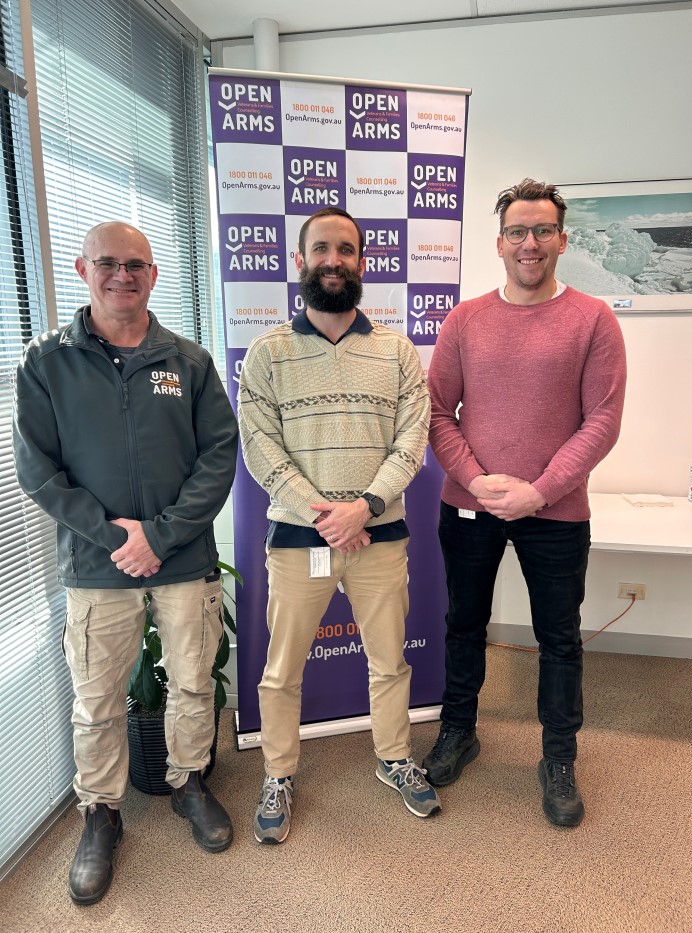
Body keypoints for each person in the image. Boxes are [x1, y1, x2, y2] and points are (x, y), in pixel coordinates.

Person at [13, 222, 239, 904]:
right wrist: (116, 537)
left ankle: (188, 781)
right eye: (108, 263)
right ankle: (101, 813)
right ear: (83, 269)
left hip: (181, 556)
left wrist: (161, 534)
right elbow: (37, 471)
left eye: (135, 264)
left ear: (154, 274)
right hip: (95, 563)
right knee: (96, 698)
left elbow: (218, 456)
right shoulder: (44, 362)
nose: (122, 275)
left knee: (194, 680)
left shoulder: (189, 361)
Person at [423, 179, 626, 827]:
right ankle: (459, 730)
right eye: (518, 231)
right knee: (464, 624)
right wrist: (478, 479)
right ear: (500, 242)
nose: (530, 243)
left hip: (557, 511)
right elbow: (435, 411)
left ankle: (559, 757)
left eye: (542, 230)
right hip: (470, 503)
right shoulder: (465, 319)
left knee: (559, 639)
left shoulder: (593, 319)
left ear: (562, 240)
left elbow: (602, 419)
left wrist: (539, 489)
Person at [237, 207, 440, 844]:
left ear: (361, 262)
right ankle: (278, 771)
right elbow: (260, 448)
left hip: (378, 537)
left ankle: (394, 755)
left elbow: (413, 441)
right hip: (302, 541)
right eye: (321, 248)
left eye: (346, 250)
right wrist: (328, 516)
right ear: (300, 261)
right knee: (280, 670)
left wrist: (364, 510)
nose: (334, 260)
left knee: (389, 662)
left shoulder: (398, 351)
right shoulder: (267, 353)